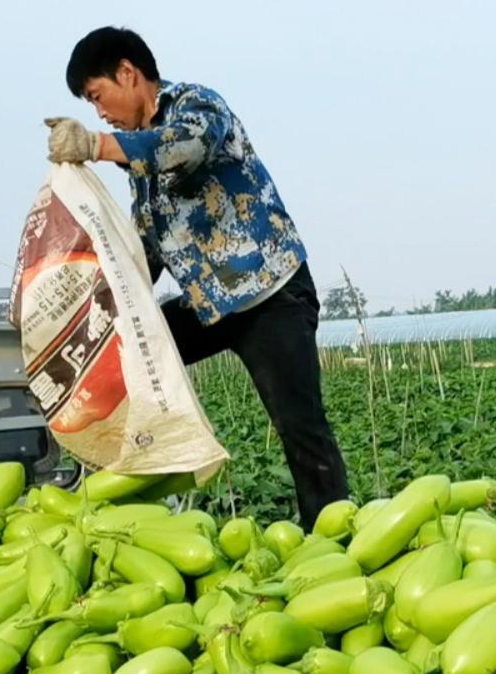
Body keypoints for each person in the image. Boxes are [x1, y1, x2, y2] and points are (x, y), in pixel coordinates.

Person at [43, 26, 349, 530]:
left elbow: (184, 147)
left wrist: (96, 144)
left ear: (128, 72)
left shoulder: (197, 106)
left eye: (98, 96)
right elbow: (151, 245)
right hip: (211, 305)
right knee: (128, 356)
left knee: (300, 427)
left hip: (270, 296)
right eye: (91, 106)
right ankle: (118, 504)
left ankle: (333, 537)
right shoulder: (141, 168)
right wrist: (106, 298)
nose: (100, 112)